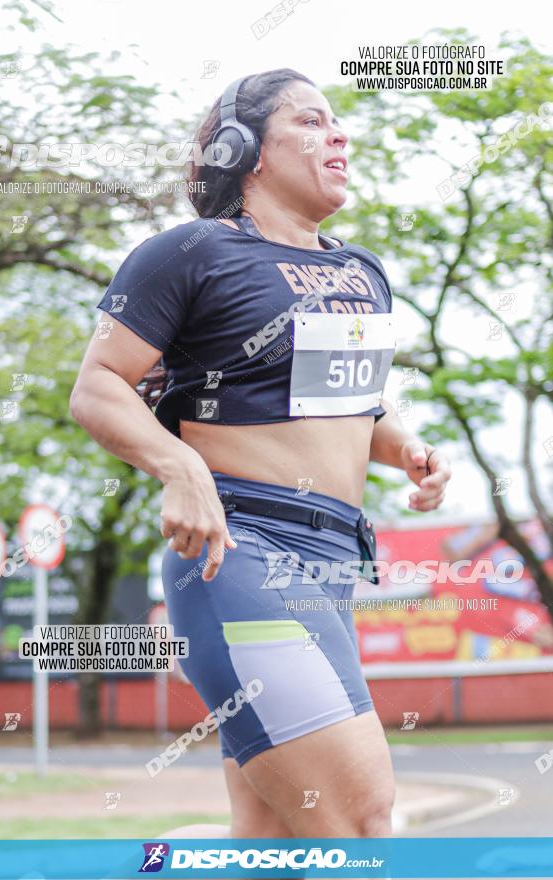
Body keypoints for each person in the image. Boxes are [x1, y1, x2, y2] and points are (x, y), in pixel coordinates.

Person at [70, 68, 452, 839]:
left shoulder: (361, 271)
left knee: (271, 839)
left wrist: (406, 446)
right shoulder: (191, 252)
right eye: (310, 122)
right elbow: (99, 386)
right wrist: (181, 469)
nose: (338, 135)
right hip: (241, 558)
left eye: (338, 122)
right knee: (362, 823)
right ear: (243, 149)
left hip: (334, 569)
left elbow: (349, 407)